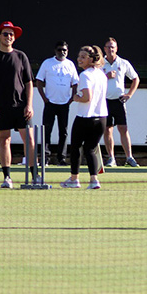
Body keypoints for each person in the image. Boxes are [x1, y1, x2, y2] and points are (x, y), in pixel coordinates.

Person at [0, 21, 34, 189]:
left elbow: (29, 82)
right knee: (4, 140)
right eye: (5, 34)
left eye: (11, 34)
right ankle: (7, 177)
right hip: (1, 106)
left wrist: (29, 104)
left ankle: (34, 175)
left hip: (21, 106)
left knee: (30, 140)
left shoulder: (21, 56)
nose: (8, 37)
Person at [61, 45, 108, 190]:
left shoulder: (85, 75)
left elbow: (87, 97)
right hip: (101, 118)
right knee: (91, 148)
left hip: (85, 117)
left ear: (91, 59)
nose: (79, 59)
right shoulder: (101, 74)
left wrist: (75, 97)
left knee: (76, 147)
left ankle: (74, 179)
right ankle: (94, 180)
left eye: (83, 57)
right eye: (79, 56)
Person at [35, 40, 78, 166]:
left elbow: (75, 82)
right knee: (46, 130)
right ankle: (45, 157)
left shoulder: (70, 64)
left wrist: (72, 98)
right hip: (50, 102)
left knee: (63, 131)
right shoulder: (48, 63)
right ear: (55, 51)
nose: (62, 52)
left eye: (64, 50)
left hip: (64, 103)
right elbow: (38, 81)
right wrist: (44, 98)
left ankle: (61, 158)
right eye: (60, 50)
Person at [102, 37, 140, 167]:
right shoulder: (100, 64)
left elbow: (135, 78)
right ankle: (111, 158)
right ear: (104, 49)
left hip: (119, 101)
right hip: (104, 101)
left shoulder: (123, 63)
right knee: (107, 130)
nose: (110, 49)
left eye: (113, 47)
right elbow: (93, 79)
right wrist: (105, 77)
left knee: (123, 128)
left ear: (116, 48)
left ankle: (129, 157)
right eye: (108, 47)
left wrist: (129, 94)